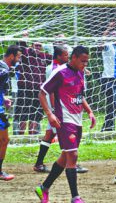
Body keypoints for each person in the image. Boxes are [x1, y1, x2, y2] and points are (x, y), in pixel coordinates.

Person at [35, 46, 96, 203]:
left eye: (86, 62)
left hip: (77, 120)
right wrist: (50, 114)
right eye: (83, 61)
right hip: (64, 120)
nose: (85, 64)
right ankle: (75, 197)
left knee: (65, 157)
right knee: (73, 155)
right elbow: (42, 92)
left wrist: (89, 112)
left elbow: (79, 96)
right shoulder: (60, 72)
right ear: (73, 58)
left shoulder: (80, 73)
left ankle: (44, 188)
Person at [33, 46, 89, 174]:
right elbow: (50, 91)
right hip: (58, 109)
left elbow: (78, 93)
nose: (66, 57)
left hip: (62, 109)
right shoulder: (56, 70)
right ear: (58, 56)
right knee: (66, 147)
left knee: (50, 134)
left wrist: (89, 111)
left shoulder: (76, 70)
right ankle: (72, 163)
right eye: (65, 55)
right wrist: (51, 111)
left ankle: (41, 166)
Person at [14, 41, 52, 134]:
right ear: (32, 46)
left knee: (35, 116)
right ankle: (20, 137)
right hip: (25, 90)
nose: (38, 47)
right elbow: (21, 46)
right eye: (36, 45)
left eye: (40, 45)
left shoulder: (44, 56)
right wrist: (24, 38)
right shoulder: (26, 54)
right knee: (22, 115)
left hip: (38, 91)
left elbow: (58, 57)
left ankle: (32, 137)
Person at [0, 45, 22, 181]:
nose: (19, 60)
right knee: (4, 140)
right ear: (11, 56)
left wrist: (3, 98)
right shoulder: (3, 70)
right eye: (18, 57)